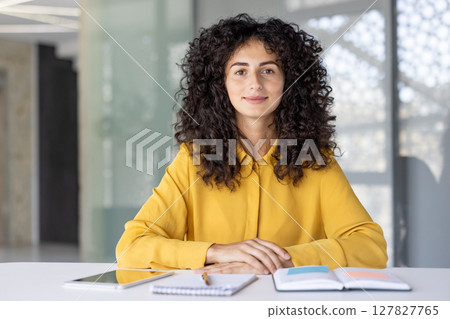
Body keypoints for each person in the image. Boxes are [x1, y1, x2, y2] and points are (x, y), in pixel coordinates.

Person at [116, 14, 388, 275]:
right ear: (220, 84)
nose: (255, 84)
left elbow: (370, 247)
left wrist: (279, 261)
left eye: (268, 70)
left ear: (290, 81)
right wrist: (217, 252)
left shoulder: (314, 159)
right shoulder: (192, 159)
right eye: (240, 71)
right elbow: (131, 247)